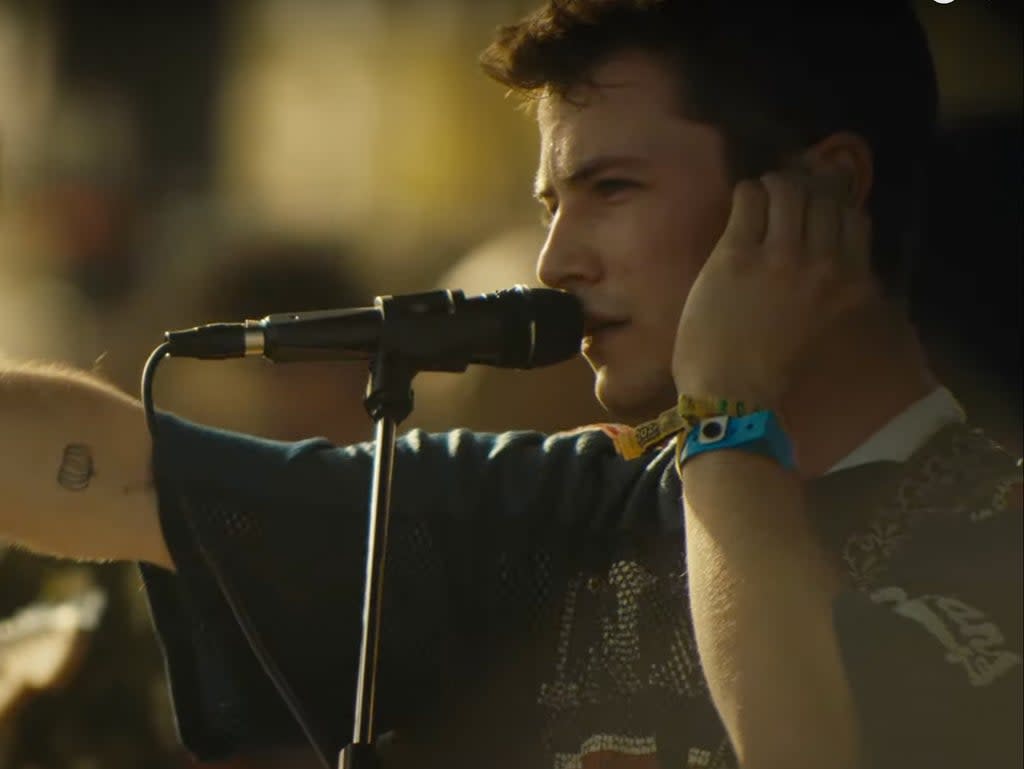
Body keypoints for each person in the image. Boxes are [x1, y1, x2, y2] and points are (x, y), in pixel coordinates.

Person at [0, 2, 1020, 768]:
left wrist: (725, 418)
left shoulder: (995, 538)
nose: (553, 263)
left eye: (610, 188)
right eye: (549, 203)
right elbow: (119, 476)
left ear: (824, 192)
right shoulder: (561, 510)